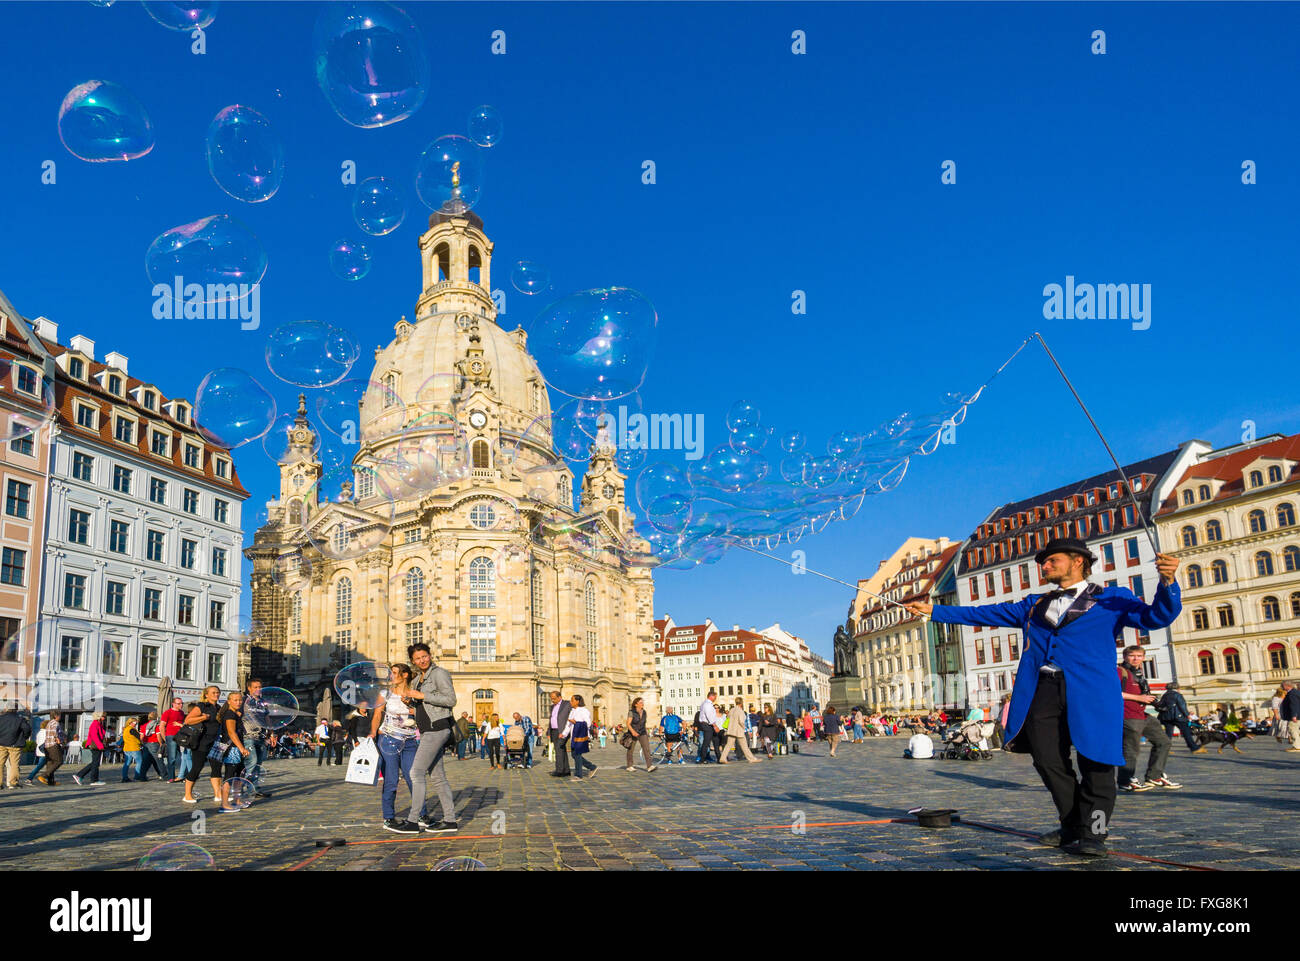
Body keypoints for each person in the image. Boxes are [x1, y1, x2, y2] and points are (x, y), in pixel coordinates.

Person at [907, 537, 1182, 858]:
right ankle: (1072, 824)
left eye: (1052, 560)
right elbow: (985, 613)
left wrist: (1168, 581)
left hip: (1092, 692)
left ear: (1078, 561)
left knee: (1098, 763)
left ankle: (1093, 833)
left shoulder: (1112, 599)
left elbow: (1156, 618)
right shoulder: (1034, 604)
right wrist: (934, 611)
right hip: (1043, 689)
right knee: (1047, 759)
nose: (1045, 566)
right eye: (1044, 562)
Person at [1117, 645, 1181, 792]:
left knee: (1164, 742)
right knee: (1131, 750)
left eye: (1139, 656)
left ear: (1143, 658)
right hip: (1128, 715)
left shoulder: (1138, 673)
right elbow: (1112, 692)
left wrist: (1156, 703)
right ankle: (1125, 781)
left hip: (1143, 715)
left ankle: (1154, 776)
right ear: (1125, 657)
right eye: (1132, 655)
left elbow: (1144, 694)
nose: (1135, 659)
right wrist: (1138, 697)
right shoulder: (1120, 672)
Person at [368, 663, 423, 833]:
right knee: (391, 780)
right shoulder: (385, 694)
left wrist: (413, 709)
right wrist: (372, 733)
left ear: (404, 675)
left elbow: (425, 712)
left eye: (394, 673)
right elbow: (377, 715)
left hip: (410, 741)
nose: (391, 676)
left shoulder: (413, 694)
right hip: (388, 739)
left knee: (414, 778)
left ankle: (421, 814)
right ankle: (389, 817)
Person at [182, 686, 223, 804]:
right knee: (197, 767)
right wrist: (203, 717)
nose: (216, 694)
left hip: (215, 741)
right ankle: (187, 795)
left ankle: (218, 794)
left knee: (217, 768)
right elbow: (188, 720)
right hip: (201, 742)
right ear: (206, 695)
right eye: (213, 692)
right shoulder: (201, 706)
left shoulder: (219, 708)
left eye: (218, 692)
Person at [210, 692, 250, 813]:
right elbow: (232, 733)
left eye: (240, 700)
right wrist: (241, 748)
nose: (238, 702)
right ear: (229, 701)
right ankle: (224, 804)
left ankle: (237, 800)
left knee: (239, 774)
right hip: (232, 748)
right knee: (230, 776)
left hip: (236, 748)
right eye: (235, 700)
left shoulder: (234, 714)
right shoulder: (229, 714)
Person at [241, 679, 272, 798]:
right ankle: (246, 788)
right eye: (255, 687)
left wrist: (271, 733)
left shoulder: (262, 702)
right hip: (247, 736)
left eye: (259, 687)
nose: (258, 689)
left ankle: (255, 788)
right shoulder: (244, 701)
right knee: (252, 762)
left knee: (258, 764)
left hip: (261, 736)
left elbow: (267, 718)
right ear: (249, 688)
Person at [1156, 682, 1204, 754]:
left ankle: (1165, 749)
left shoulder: (1165, 695)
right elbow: (1182, 706)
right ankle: (1194, 748)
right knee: (1186, 732)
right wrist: (1187, 714)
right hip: (1178, 717)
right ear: (1177, 688)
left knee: (1168, 734)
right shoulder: (1177, 695)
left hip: (1166, 717)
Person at [719, 696, 761, 763]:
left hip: (731, 730)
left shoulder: (732, 710)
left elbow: (728, 718)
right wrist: (745, 728)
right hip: (738, 731)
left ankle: (723, 758)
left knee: (728, 745)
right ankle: (751, 759)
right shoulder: (740, 711)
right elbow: (741, 721)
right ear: (741, 703)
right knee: (744, 746)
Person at [564, 694, 596, 779]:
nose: (571, 702)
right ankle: (592, 767)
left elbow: (588, 723)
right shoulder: (572, 711)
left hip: (581, 735)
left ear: (578, 701)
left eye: (572, 700)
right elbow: (568, 724)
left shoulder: (584, 710)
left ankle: (578, 774)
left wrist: (576, 722)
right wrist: (563, 734)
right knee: (574, 755)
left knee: (577, 754)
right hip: (573, 736)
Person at [0, 702, 31, 789]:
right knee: (14, 764)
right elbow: (27, 729)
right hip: (15, 745)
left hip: (1, 744)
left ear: (6, 708)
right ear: (16, 709)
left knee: (0, 764)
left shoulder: (1, 718)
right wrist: (24, 737)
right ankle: (13, 782)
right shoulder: (20, 719)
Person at [73, 712, 108, 785]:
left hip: (97, 745)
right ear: (98, 717)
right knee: (95, 763)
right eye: (103, 716)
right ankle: (93, 780)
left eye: (104, 716)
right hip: (96, 746)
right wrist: (100, 745)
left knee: (95, 763)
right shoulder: (95, 724)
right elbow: (94, 736)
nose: (104, 718)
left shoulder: (99, 724)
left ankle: (80, 775)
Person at [624, 697, 656, 772]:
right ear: (636, 704)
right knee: (630, 749)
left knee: (646, 748)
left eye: (643, 702)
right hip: (633, 733)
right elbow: (628, 724)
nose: (643, 704)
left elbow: (643, 722)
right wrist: (633, 732)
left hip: (642, 732)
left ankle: (649, 766)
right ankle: (629, 766)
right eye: (641, 702)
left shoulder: (644, 712)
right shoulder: (631, 712)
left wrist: (645, 731)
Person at [547, 690, 572, 777]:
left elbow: (573, 715)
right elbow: (551, 719)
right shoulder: (552, 706)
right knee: (561, 750)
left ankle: (559, 770)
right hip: (553, 731)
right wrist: (548, 731)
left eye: (554, 698)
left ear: (559, 697)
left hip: (562, 731)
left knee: (558, 749)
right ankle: (566, 770)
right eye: (551, 699)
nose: (552, 700)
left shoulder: (567, 704)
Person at [161, 697, 185, 781]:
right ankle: (171, 777)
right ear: (173, 704)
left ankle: (183, 775)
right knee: (172, 757)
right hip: (171, 736)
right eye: (179, 703)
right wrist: (165, 738)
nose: (181, 705)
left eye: (182, 703)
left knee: (184, 756)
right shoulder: (168, 712)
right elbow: (162, 726)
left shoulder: (182, 713)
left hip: (181, 736)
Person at [697, 691, 723, 764]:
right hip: (708, 725)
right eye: (715, 697)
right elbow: (709, 716)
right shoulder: (707, 704)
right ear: (711, 696)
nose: (715, 698)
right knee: (706, 742)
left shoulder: (706, 703)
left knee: (716, 741)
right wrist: (715, 726)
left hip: (709, 725)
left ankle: (719, 758)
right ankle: (702, 759)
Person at [120, 716, 148, 783]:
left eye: (136, 722)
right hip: (134, 748)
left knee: (127, 763)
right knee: (139, 762)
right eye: (135, 722)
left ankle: (124, 777)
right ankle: (137, 776)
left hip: (126, 748)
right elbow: (139, 737)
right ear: (131, 722)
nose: (136, 724)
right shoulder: (132, 729)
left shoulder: (125, 730)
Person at [1281, 681, 1300, 752]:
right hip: (1297, 715)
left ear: (1286, 686)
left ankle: (1297, 746)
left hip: (1295, 716)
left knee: (1293, 730)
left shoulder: (1292, 693)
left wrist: (1294, 715)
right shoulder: (1295, 692)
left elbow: (1294, 704)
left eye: (1282, 686)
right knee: (1296, 730)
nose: (1281, 687)